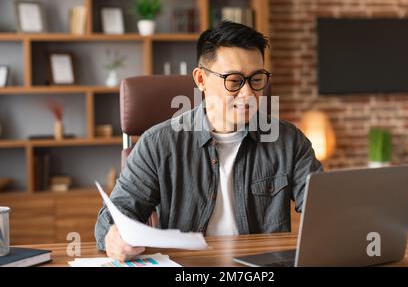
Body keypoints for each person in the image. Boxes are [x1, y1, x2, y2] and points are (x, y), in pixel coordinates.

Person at [95, 21, 322, 261]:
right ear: (201, 79)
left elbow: (323, 209)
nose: (248, 94)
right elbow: (112, 219)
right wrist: (114, 236)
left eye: (256, 80)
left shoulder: (289, 141)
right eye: (234, 81)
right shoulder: (158, 144)